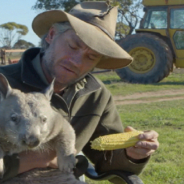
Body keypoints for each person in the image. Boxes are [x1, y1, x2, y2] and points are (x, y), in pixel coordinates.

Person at [0, 1, 159, 183]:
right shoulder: (5, 85)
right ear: (51, 35)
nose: (76, 61)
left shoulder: (96, 95)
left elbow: (108, 162)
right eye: (73, 46)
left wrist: (133, 154)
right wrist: (32, 161)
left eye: (91, 56)